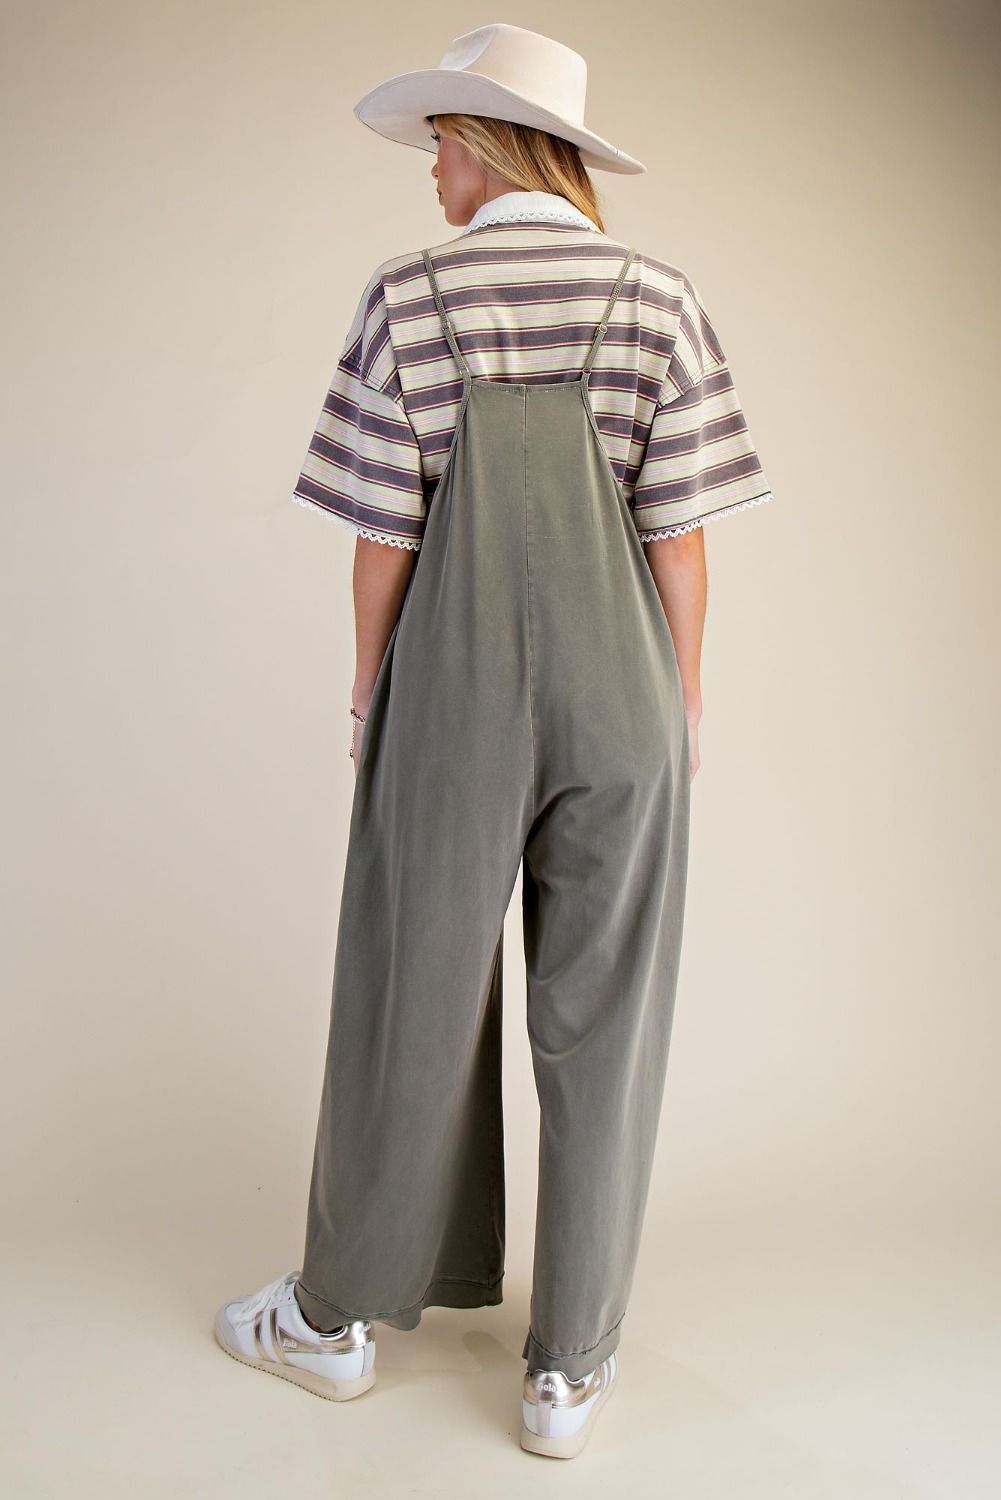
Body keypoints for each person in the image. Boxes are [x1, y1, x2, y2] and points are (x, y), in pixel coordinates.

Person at [214, 23, 773, 1460]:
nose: (428, 171)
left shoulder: (411, 294)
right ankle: (567, 1372)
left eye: (437, 143)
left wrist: (369, 694)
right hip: (625, 693)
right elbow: (680, 534)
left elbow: (382, 532)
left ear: (479, 143)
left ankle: (336, 1323)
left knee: (408, 988)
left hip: (451, 690)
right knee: (605, 1017)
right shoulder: (656, 296)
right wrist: (680, 704)